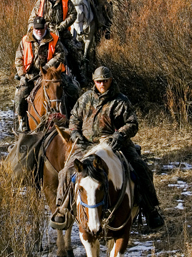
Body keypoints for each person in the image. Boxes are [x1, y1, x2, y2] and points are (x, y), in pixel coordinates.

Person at [53, 66, 164, 231]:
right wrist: (76, 135)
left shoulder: (121, 100)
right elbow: (74, 119)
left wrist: (119, 136)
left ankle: (150, 209)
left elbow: (132, 123)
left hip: (115, 145)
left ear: (111, 80)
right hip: (86, 145)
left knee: (141, 169)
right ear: (94, 82)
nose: (102, 84)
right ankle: (62, 208)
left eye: (105, 81)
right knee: (66, 172)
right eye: (99, 81)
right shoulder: (85, 98)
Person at [14, 16, 77, 133]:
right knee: (20, 94)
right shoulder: (25, 40)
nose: (39, 31)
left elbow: (61, 54)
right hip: (31, 74)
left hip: (52, 73)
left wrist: (48, 66)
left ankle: (75, 119)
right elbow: (18, 59)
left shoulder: (54, 38)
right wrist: (22, 75)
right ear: (33, 27)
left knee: (73, 90)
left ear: (45, 27)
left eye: (41, 29)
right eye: (36, 28)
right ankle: (22, 120)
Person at [28, 0, 87, 86]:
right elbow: (33, 16)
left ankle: (80, 76)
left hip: (62, 33)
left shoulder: (65, 0)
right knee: (32, 49)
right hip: (45, 32)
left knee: (73, 52)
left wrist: (62, 26)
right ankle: (28, 74)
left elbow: (73, 14)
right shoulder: (42, 1)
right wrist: (32, 28)